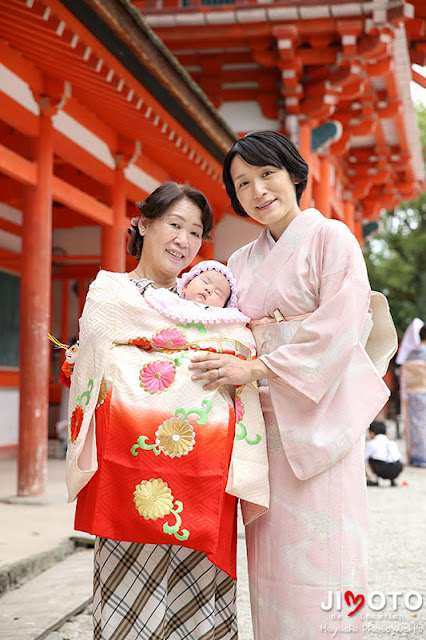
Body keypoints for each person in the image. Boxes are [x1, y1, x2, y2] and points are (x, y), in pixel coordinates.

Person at [189, 130, 396, 639]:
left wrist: (259, 368)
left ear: (293, 174)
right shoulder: (238, 264)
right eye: (242, 183)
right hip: (263, 427)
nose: (257, 190)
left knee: (328, 552)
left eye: (266, 174)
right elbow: (220, 330)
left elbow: (342, 323)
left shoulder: (332, 238)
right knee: (270, 559)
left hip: (320, 415)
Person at [66, 180, 268, 640]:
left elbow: (238, 350)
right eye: (174, 224)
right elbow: (100, 362)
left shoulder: (214, 305)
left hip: (205, 469)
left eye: (196, 232)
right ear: (143, 224)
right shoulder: (112, 293)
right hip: (131, 467)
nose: (184, 240)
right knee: (127, 599)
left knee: (199, 603)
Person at [400, 324, 426, 466]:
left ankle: (417, 457)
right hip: (424, 391)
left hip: (412, 393)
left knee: (415, 426)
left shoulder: (411, 354)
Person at [365, 421, 403, 486]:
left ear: (371, 433)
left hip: (381, 470)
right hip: (397, 469)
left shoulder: (372, 443)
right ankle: (393, 480)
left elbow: (363, 457)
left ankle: (374, 480)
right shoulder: (392, 443)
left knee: (369, 459)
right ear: (386, 433)